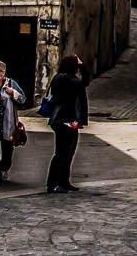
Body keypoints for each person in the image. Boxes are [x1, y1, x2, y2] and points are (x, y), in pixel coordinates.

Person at [45, 54, 89, 194]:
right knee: (64, 153)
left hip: (59, 119)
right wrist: (82, 65)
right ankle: (54, 183)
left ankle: (63, 181)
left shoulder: (58, 78)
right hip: (67, 120)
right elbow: (85, 81)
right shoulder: (72, 80)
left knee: (63, 152)